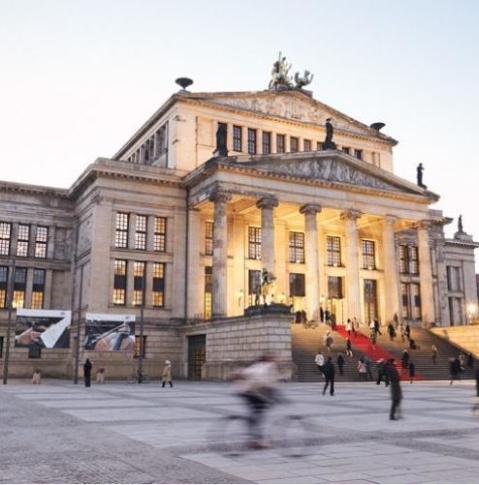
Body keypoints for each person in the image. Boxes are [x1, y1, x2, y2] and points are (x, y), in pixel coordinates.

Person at [233, 354, 280, 448]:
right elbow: (266, 383)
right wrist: (275, 395)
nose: (277, 360)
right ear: (270, 359)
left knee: (255, 414)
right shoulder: (268, 366)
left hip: (244, 391)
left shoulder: (256, 365)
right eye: (275, 359)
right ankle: (259, 441)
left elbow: (241, 373)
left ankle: (253, 435)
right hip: (253, 392)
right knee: (259, 416)